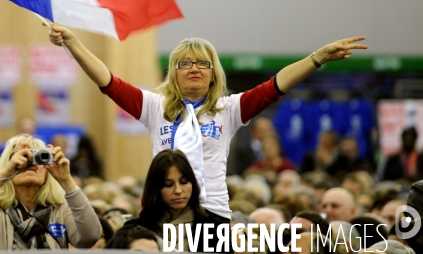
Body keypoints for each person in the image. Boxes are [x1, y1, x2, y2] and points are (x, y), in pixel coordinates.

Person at [47, 22, 367, 220]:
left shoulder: (229, 110)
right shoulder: (154, 108)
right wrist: (73, 43)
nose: (194, 68)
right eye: (184, 63)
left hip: (214, 215)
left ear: (214, 72)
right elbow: (108, 82)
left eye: (203, 62)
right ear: (173, 72)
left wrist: (318, 58)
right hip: (166, 217)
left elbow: (276, 86)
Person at [0, 133, 101, 250]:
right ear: (8, 165)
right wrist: (3, 175)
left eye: (39, 157)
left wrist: (66, 181)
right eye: (22, 157)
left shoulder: (61, 209)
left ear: (49, 165)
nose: (30, 164)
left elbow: (90, 237)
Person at [124, 149, 222, 251]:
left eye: (184, 182)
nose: (178, 190)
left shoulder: (215, 229)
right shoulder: (133, 230)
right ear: (155, 188)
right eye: (168, 184)